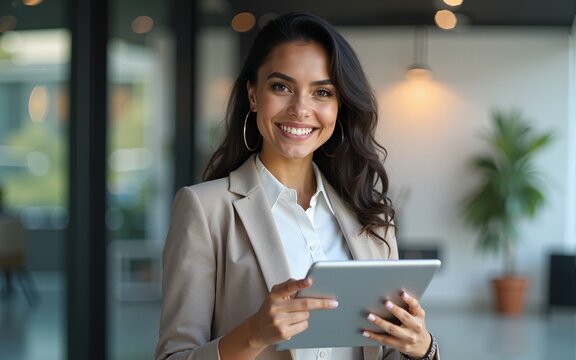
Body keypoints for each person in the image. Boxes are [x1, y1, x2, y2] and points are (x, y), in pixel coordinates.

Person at [156, 12, 439, 360]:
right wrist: (252, 335)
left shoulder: (372, 216)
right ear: (254, 94)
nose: (301, 108)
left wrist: (421, 348)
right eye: (281, 87)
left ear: (340, 106)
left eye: (322, 92)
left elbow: (383, 350)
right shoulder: (204, 210)